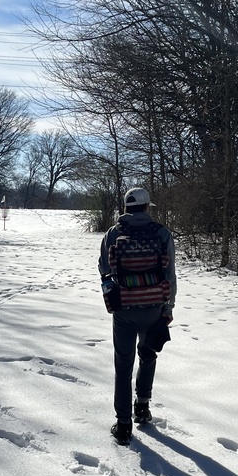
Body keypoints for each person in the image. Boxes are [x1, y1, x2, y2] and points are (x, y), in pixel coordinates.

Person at [98, 187, 176, 444]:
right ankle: (142, 406)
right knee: (148, 354)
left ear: (125, 207)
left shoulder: (113, 233)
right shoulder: (162, 233)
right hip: (153, 306)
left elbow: (104, 267)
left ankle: (123, 424)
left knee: (123, 365)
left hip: (124, 308)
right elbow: (169, 274)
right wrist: (168, 307)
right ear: (146, 208)